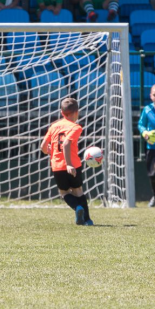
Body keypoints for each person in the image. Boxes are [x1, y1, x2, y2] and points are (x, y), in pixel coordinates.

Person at [42, 97, 93, 226]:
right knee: (78, 191)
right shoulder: (76, 127)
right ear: (77, 112)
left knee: (64, 193)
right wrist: (69, 164)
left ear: (62, 112)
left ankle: (77, 208)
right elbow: (66, 143)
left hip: (57, 166)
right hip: (73, 165)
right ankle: (88, 220)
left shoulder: (54, 126)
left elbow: (43, 146)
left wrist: (49, 151)